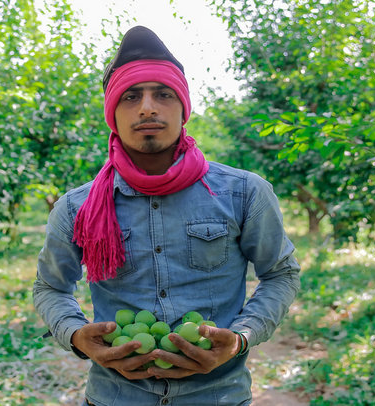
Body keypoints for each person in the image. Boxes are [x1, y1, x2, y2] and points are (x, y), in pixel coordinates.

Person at [33, 25, 301, 406]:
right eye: (130, 96)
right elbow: (51, 287)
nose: (147, 107)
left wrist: (240, 337)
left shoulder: (243, 192)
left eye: (162, 94)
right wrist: (76, 335)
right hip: (114, 397)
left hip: (218, 397)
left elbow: (280, 273)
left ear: (183, 107)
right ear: (113, 113)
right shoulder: (77, 207)